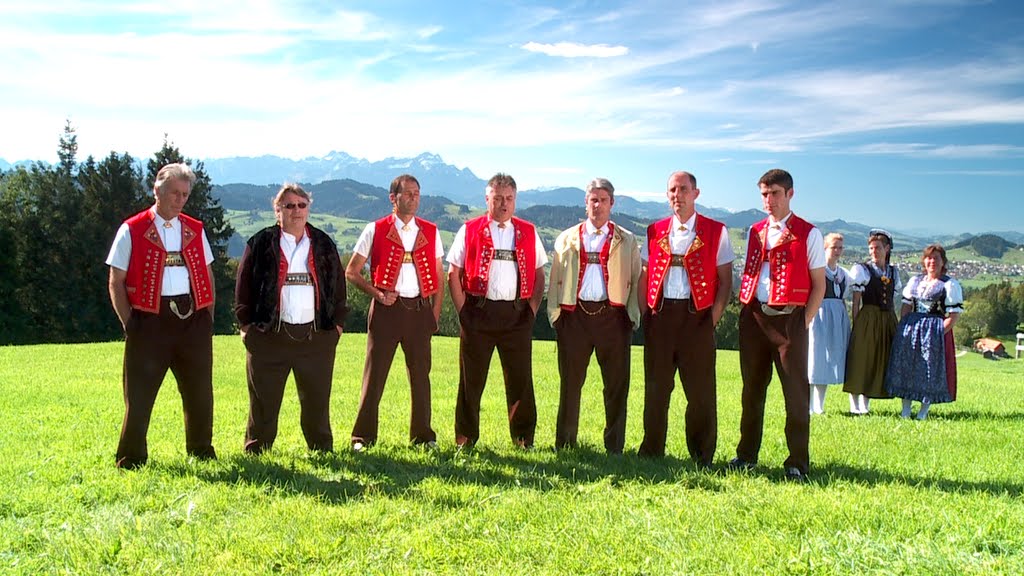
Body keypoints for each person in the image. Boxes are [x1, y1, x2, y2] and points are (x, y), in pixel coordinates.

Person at [105, 162, 217, 469]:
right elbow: (116, 280)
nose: (179, 200)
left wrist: (206, 317)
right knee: (139, 396)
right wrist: (130, 323)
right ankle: (131, 458)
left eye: (184, 194)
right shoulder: (133, 228)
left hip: (192, 319)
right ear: (157, 190)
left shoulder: (195, 229)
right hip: (148, 320)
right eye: (174, 193)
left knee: (199, 393)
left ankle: (201, 450)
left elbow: (207, 275)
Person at [234, 183, 347, 453]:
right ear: (277, 211)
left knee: (317, 401)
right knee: (263, 401)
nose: (296, 210)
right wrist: (246, 325)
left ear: (308, 209)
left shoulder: (323, 243)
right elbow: (243, 287)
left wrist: (338, 327)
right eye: (289, 205)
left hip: (316, 337)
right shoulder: (260, 243)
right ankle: (258, 450)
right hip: (269, 337)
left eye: (301, 205)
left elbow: (339, 287)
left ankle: (321, 449)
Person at [730, 168, 825, 481]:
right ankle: (746, 457)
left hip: (790, 320)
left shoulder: (809, 233)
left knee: (795, 393)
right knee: (752, 391)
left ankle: (797, 462)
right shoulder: (755, 230)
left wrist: (805, 321)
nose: (768, 201)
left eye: (774, 194)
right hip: (755, 317)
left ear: (790, 194)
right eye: (764, 195)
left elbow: (818, 285)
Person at [637, 171, 734, 465]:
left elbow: (725, 281)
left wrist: (712, 319)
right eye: (671, 191)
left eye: (682, 189)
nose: (677, 195)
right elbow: (644, 274)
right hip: (662, 316)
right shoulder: (654, 231)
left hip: (697, 317)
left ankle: (702, 454)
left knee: (701, 391)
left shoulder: (717, 231)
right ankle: (652, 451)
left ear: (696, 193)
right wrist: (648, 315)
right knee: (656, 389)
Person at [447, 173, 547, 449]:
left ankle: (524, 439)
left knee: (521, 381)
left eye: (509, 198)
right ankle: (465, 439)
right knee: (471, 380)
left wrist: (531, 310)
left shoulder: (528, 230)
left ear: (515, 200)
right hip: (478, 313)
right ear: (487, 199)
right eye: (498, 198)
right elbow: (453, 273)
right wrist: (463, 311)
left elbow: (540, 274)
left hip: (517, 315)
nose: (503, 204)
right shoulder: (469, 229)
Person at [346, 174, 444, 451]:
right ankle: (362, 438)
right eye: (408, 193)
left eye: (417, 193)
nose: (413, 198)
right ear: (394, 198)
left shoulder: (431, 231)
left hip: (419, 311)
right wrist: (376, 293)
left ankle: (423, 437)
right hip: (387, 312)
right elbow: (351, 271)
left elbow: (439, 277)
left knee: (421, 377)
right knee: (374, 375)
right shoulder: (375, 229)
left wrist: (433, 315)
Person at [547, 178, 641, 454]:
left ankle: (614, 446)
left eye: (603, 200)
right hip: (574, 317)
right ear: (586, 203)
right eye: (593, 200)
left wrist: (631, 316)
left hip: (613, 316)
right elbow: (554, 280)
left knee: (616, 386)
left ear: (612, 203)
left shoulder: (627, 239)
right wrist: (555, 315)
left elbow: (636, 279)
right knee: (570, 385)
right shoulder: (567, 237)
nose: (597, 205)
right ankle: (565, 443)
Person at [885, 244, 963, 420]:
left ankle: (922, 412)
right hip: (912, 329)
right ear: (924, 261)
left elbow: (953, 315)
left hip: (934, 332)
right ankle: (905, 410)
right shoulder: (915, 281)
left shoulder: (949, 284)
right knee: (907, 368)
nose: (932, 261)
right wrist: (905, 325)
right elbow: (906, 306)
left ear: (943, 262)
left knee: (929, 370)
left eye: (936, 258)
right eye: (929, 258)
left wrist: (938, 333)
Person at [843, 230, 901, 415]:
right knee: (862, 357)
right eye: (871, 248)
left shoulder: (893, 271)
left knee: (878, 358)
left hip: (887, 318)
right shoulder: (862, 269)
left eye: (877, 247)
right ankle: (854, 403)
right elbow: (856, 298)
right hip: (868, 316)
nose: (873, 251)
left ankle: (866, 404)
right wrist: (857, 321)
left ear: (887, 248)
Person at [807, 233, 851, 415]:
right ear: (825, 248)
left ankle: (819, 405)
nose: (838, 251)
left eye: (840, 247)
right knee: (814, 358)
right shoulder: (818, 270)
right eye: (834, 247)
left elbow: (844, 295)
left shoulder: (843, 273)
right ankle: (809, 405)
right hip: (819, 315)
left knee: (826, 361)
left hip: (836, 317)